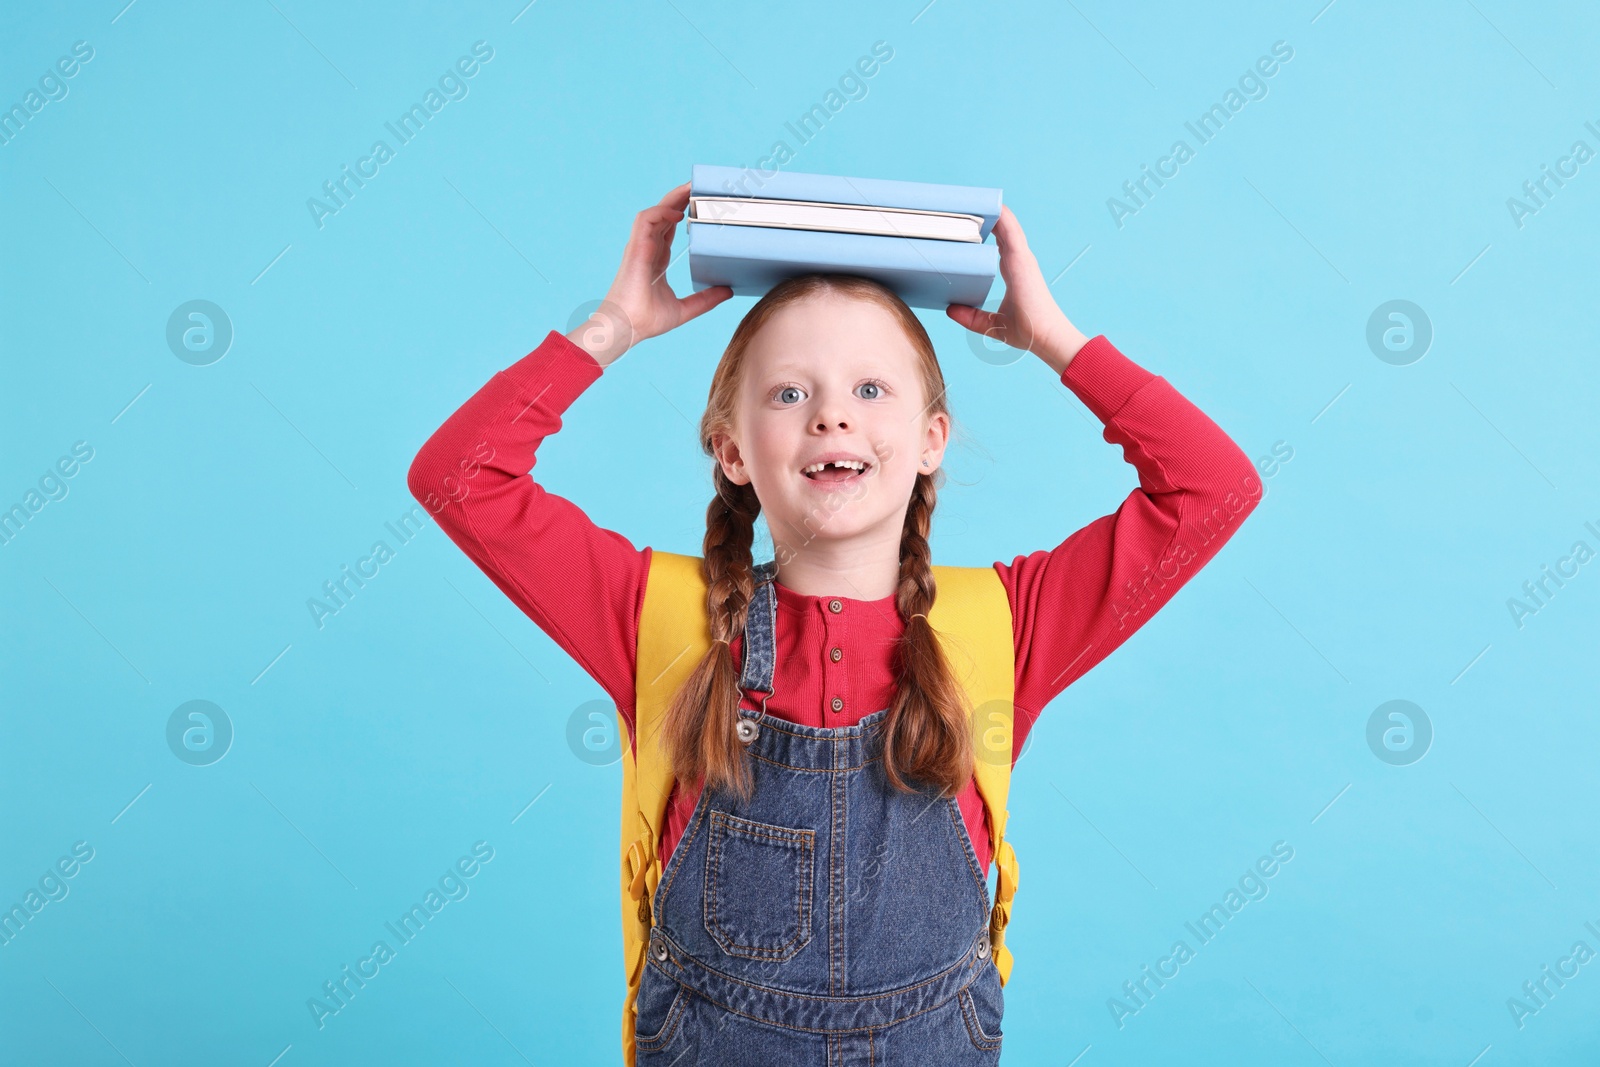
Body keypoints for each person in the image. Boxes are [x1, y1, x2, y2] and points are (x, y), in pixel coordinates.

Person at [407, 181, 1262, 1062]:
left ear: (933, 438)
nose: (832, 413)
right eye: (787, 393)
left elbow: (1212, 488)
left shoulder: (1006, 625)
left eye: (869, 386)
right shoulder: (656, 619)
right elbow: (459, 478)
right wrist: (611, 327)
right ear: (731, 450)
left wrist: (1054, 340)